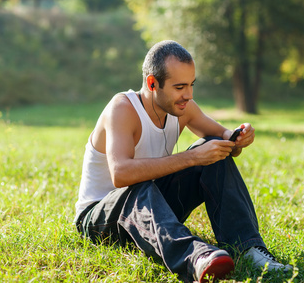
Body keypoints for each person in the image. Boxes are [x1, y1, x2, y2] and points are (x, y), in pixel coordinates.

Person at [74, 40, 292, 282]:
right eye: (179, 87)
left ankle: (248, 249)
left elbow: (223, 140)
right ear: (152, 83)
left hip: (151, 210)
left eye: (191, 85)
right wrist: (190, 157)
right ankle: (197, 257)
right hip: (100, 219)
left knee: (211, 150)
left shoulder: (182, 107)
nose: (188, 95)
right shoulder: (123, 108)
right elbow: (121, 174)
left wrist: (237, 139)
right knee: (140, 186)